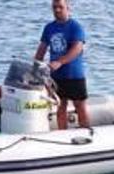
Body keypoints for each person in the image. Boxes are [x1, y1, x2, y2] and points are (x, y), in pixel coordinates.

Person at [34, 0, 90, 130]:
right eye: (54, 7)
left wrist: (60, 62)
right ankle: (62, 134)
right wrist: (35, 68)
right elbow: (42, 49)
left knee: (80, 106)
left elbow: (77, 49)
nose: (57, 10)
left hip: (74, 74)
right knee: (60, 106)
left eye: (60, 7)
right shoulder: (49, 28)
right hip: (56, 76)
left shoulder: (75, 27)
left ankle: (87, 133)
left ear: (68, 8)